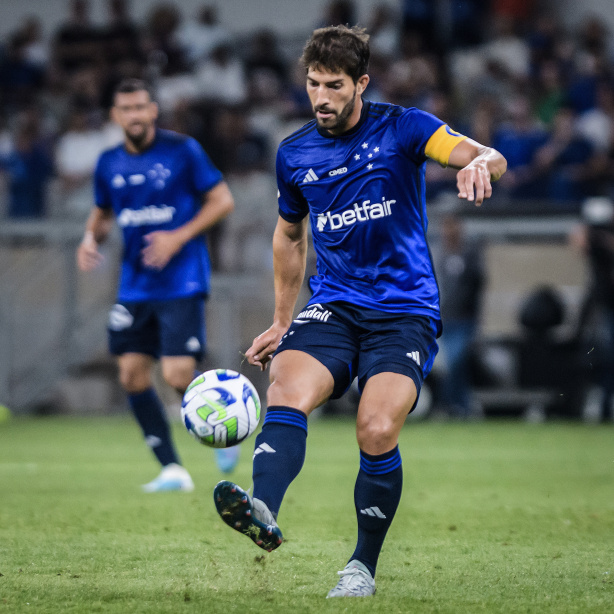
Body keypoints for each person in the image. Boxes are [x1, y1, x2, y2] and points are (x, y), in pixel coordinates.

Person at [213, 26, 506, 598]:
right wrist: (281, 320)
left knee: (374, 428)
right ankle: (262, 510)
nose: (321, 97)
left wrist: (483, 163)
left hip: (404, 312)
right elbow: (289, 236)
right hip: (334, 305)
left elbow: (479, 155)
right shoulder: (294, 153)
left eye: (334, 85)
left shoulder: (404, 127)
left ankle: (361, 567)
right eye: (313, 84)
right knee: (285, 386)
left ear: (361, 84)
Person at [76, 78, 237, 492]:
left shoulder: (183, 150)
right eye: (125, 109)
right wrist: (89, 240)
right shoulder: (109, 162)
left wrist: (177, 237)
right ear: (116, 116)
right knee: (131, 374)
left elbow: (222, 201)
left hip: (181, 279)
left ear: (153, 111)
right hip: (134, 285)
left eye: (140, 107)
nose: (133, 115)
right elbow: (102, 211)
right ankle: (172, 469)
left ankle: (228, 425)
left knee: (178, 372)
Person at [436, 212, 485, 419]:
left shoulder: (469, 253)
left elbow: (478, 285)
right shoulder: (440, 254)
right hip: (446, 318)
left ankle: (452, 404)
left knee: (457, 362)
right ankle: (460, 406)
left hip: (464, 318)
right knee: (453, 365)